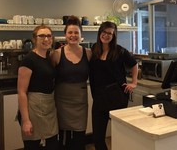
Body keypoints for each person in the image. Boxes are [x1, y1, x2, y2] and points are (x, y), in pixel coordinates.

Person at [89, 21, 138, 150]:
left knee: (119, 134)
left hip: (117, 97)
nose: (106, 35)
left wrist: (134, 82)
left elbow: (134, 64)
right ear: (100, 32)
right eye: (104, 32)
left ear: (114, 35)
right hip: (99, 98)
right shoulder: (95, 49)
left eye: (110, 33)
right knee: (98, 138)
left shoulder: (119, 51)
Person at [51, 15, 92, 150]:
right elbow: (47, 76)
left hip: (80, 102)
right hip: (62, 102)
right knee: (63, 138)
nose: (73, 35)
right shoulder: (56, 54)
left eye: (76, 32)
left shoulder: (89, 53)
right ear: (65, 35)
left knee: (79, 138)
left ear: (81, 35)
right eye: (70, 32)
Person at [17, 25, 59, 150]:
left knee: (52, 144)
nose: (46, 39)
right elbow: (21, 92)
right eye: (42, 36)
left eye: (48, 36)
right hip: (33, 108)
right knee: (32, 145)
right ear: (35, 39)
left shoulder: (48, 57)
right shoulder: (29, 60)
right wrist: (25, 120)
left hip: (48, 106)